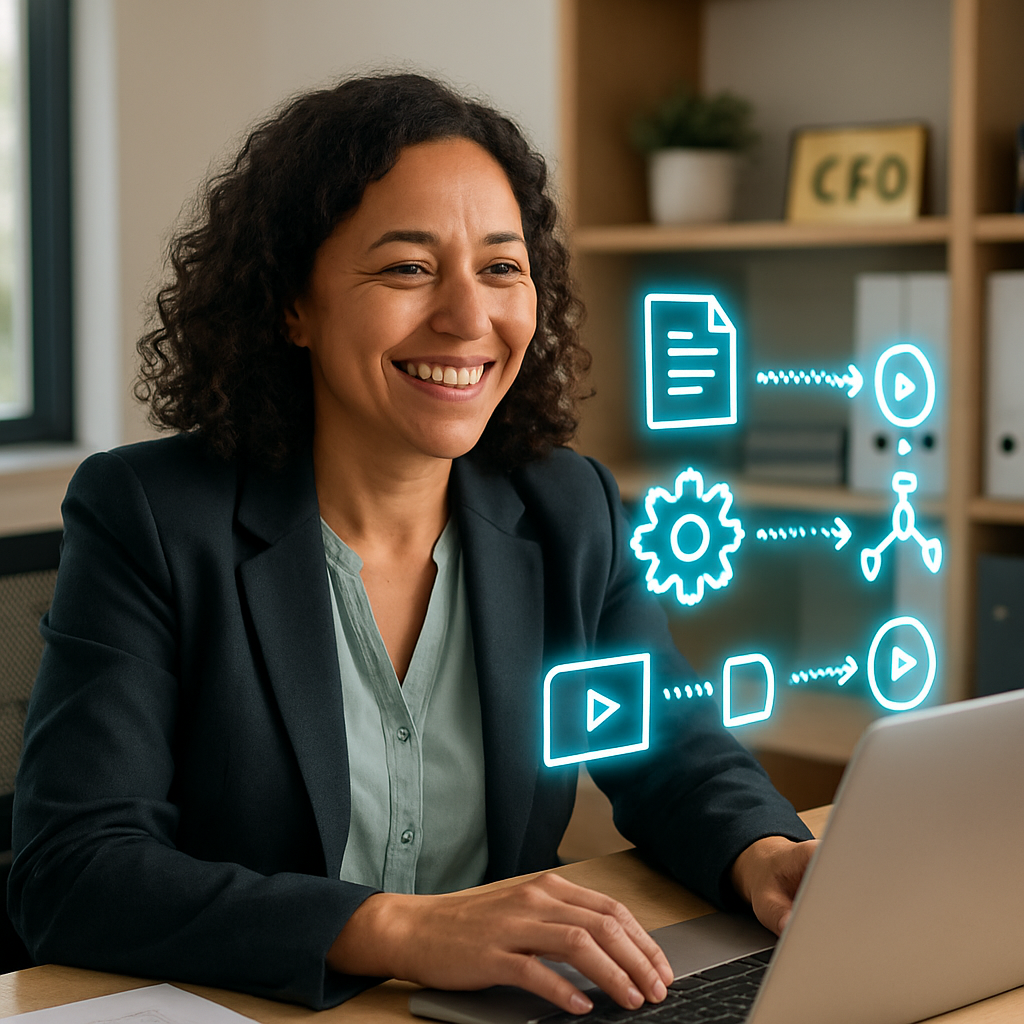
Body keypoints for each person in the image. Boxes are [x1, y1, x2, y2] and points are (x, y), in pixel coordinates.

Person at [9, 73, 816, 1012]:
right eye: (407, 268)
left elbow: (670, 754)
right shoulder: (147, 514)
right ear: (292, 305)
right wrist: (398, 928)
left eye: (502, 268)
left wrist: (766, 853)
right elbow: (74, 871)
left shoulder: (568, 507)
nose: (468, 319)